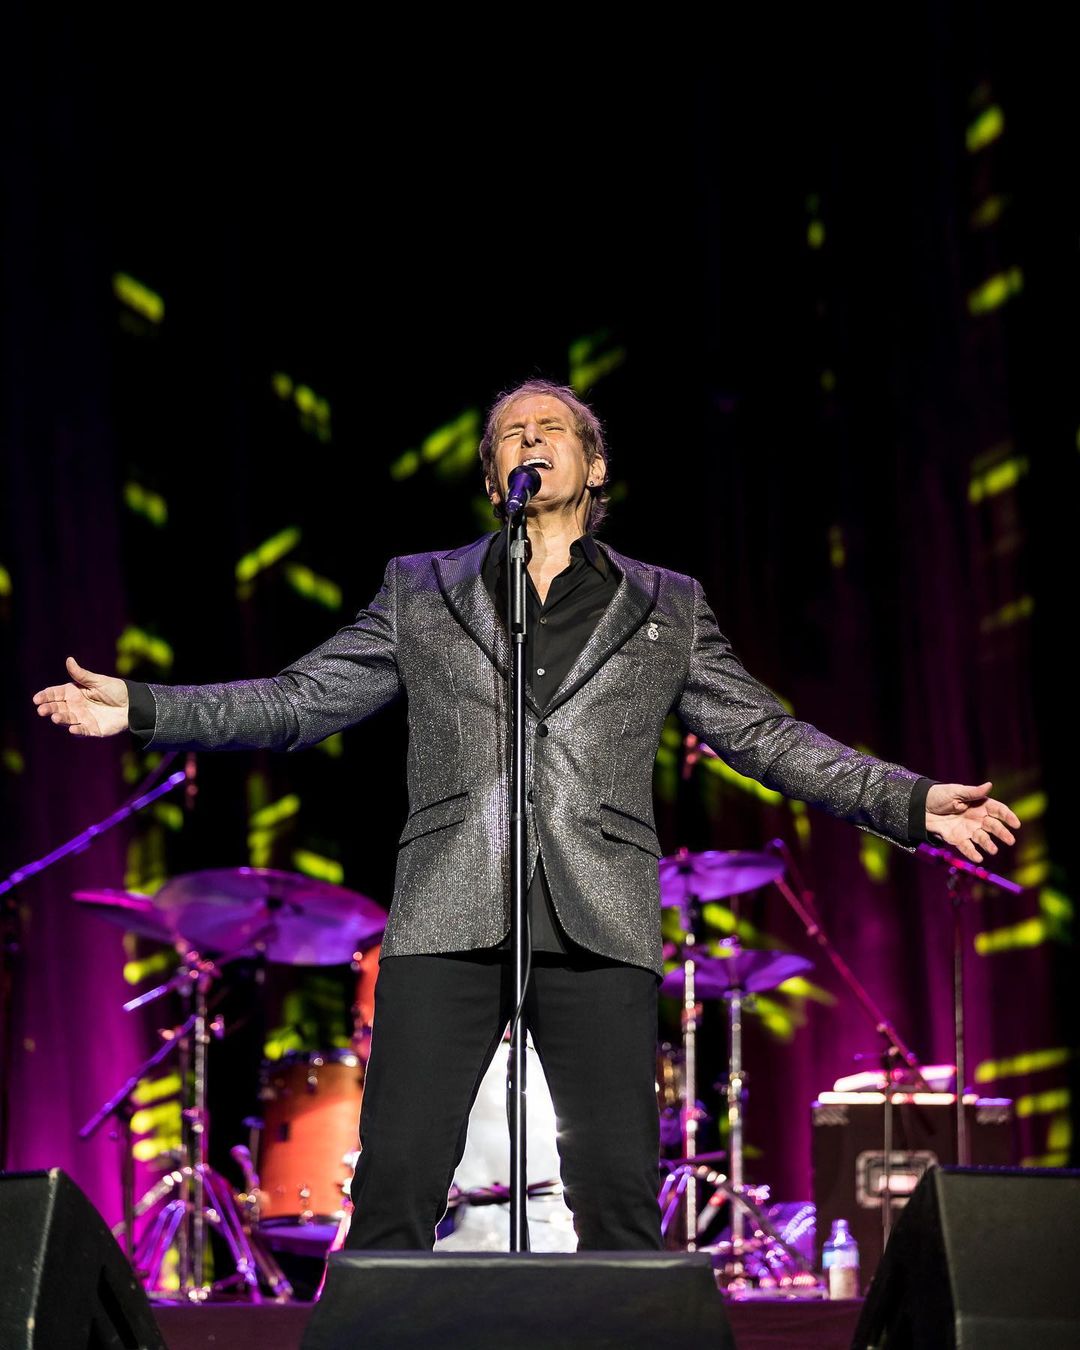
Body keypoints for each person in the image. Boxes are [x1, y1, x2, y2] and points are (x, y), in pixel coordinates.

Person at [33, 378, 1021, 1252]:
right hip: (448, 908)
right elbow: (301, 700)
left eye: (552, 428)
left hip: (601, 916)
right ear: (491, 473)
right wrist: (147, 708)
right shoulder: (422, 588)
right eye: (512, 432)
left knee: (620, 1199)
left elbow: (765, 737)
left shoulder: (667, 605)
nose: (531, 439)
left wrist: (911, 800)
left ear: (595, 465)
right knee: (394, 1190)